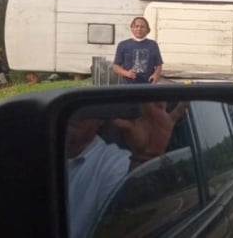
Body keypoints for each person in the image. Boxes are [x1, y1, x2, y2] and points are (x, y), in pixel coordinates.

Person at [66, 101, 187, 238]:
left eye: (88, 110)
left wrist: (146, 157)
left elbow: (125, 216)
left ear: (101, 119)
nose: (79, 115)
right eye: (72, 109)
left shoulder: (115, 164)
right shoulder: (41, 149)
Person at [112, 17, 163, 84]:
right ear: (132, 29)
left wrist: (156, 75)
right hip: (129, 86)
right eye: (136, 26)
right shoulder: (123, 45)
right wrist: (127, 73)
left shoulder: (153, 45)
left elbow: (159, 65)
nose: (139, 29)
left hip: (148, 85)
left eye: (142, 27)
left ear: (147, 30)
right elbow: (116, 67)